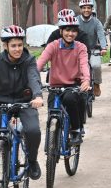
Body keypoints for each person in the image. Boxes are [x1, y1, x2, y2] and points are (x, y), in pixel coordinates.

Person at [0, 25, 44, 188]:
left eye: (20, 45)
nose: (17, 49)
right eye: (13, 45)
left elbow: (34, 78)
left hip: (25, 103)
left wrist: (37, 96)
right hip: (1, 104)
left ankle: (32, 161)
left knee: (33, 130)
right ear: (6, 46)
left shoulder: (29, 61)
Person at [37, 15, 91, 145]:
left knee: (70, 99)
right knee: (51, 111)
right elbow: (40, 63)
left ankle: (76, 130)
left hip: (72, 85)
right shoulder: (53, 46)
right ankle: (51, 142)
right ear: (61, 31)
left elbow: (84, 64)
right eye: (67, 30)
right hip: (55, 86)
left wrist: (86, 80)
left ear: (77, 33)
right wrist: (30, 79)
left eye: (73, 31)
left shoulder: (81, 47)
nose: (70, 34)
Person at [76, 0, 107, 97]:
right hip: (77, 50)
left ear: (91, 9)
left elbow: (101, 35)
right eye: (84, 8)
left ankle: (97, 83)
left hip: (93, 49)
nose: (86, 10)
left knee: (96, 66)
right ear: (81, 9)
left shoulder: (96, 22)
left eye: (88, 8)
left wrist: (103, 47)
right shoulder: (76, 21)